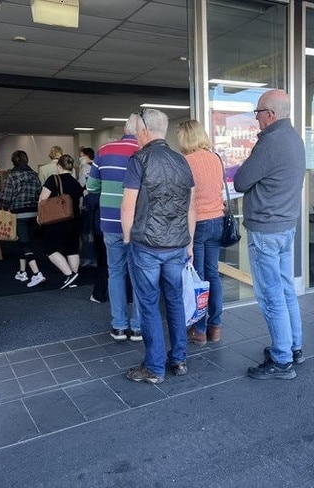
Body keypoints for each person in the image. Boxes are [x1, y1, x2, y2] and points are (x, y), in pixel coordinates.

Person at [233, 89, 306, 381]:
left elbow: (240, 181)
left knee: (271, 296)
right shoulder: (294, 139)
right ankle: (293, 348)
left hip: (266, 229)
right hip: (286, 225)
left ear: (270, 115)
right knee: (286, 290)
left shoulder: (271, 142)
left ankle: (281, 360)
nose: (257, 119)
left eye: (258, 113)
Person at [121, 108, 195, 384]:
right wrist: (189, 242)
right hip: (177, 244)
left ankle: (154, 367)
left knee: (149, 305)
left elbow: (128, 207)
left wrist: (128, 239)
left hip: (147, 246)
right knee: (175, 301)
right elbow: (191, 207)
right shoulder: (182, 161)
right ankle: (179, 359)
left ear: (143, 130)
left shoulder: (138, 160)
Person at [87, 115, 142, 341]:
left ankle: (119, 326)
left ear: (124, 129)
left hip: (110, 222)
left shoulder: (103, 150)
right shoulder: (144, 150)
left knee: (115, 273)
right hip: (139, 223)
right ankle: (138, 327)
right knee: (139, 274)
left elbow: (92, 186)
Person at [177, 119, 224, 345]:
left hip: (198, 223)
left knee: (198, 278)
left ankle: (200, 330)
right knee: (213, 275)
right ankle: (215, 327)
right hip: (218, 221)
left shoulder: (185, 162)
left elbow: (186, 200)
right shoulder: (215, 158)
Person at [38, 154, 86, 289]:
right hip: (74, 220)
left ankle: (69, 274)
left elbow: (43, 199)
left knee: (50, 249)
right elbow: (80, 203)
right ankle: (74, 277)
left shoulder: (53, 179)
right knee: (72, 249)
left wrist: (40, 215)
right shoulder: (76, 183)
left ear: (58, 166)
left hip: (56, 220)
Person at [0, 150, 46, 288]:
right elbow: (40, 193)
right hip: (33, 213)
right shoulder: (34, 175)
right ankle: (22, 272)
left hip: (18, 215)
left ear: (13, 161)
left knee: (24, 245)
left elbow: (7, 197)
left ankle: (37, 274)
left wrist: (4, 207)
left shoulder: (11, 176)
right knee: (25, 243)